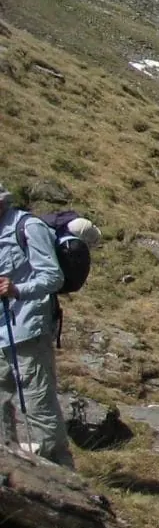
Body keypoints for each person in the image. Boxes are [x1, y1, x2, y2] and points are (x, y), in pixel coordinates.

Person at [0, 185, 71, 467]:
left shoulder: (28, 228)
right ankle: (10, 470)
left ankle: (61, 474)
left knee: (38, 405)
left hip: (27, 329)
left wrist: (18, 289)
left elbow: (53, 277)